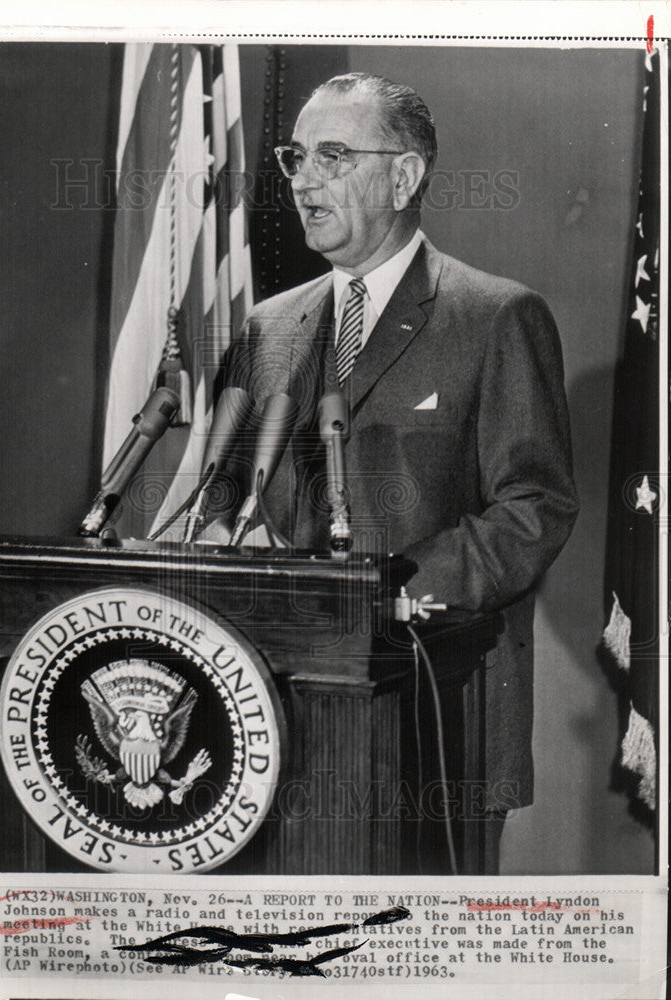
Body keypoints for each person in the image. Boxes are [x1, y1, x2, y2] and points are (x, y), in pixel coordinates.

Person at [221, 72, 579, 866]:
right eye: (294, 156)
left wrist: (385, 594)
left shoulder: (494, 316)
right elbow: (222, 495)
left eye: (332, 156)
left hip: (435, 718)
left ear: (404, 175)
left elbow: (533, 508)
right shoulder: (267, 327)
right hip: (272, 715)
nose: (303, 181)